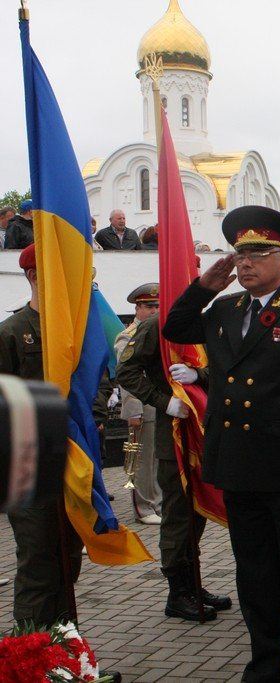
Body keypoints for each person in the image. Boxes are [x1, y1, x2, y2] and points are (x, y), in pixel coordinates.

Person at [163, 206, 280, 681]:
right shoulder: (224, 309)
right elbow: (175, 328)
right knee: (255, 575)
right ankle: (264, 666)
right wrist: (205, 286)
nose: (244, 263)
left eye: (257, 254)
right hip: (240, 468)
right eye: (240, 254)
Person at [115, 289, 232, 623]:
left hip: (205, 430)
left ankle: (193, 584)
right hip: (175, 435)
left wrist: (200, 377)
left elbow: (224, 367)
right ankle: (177, 592)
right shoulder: (156, 325)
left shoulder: (209, 320)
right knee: (179, 515)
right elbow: (127, 371)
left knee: (197, 514)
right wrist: (163, 401)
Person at [0, 245, 83, 626]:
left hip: (71, 460)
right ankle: (32, 656)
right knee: (38, 562)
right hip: (27, 465)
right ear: (34, 276)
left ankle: (66, 650)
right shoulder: (12, 332)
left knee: (69, 556)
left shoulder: (72, 329)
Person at [114, 283, 163, 525]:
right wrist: (133, 411)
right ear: (137, 308)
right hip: (142, 407)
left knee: (157, 457)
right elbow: (128, 379)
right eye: (149, 306)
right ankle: (144, 508)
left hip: (160, 404)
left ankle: (157, 502)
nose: (155, 311)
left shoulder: (158, 332)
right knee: (142, 459)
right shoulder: (128, 336)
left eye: (158, 305)